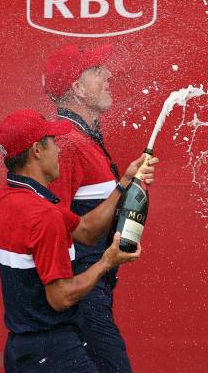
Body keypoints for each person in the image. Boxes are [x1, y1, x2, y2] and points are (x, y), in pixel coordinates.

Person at [0, 109, 156, 372]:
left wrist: (125, 181)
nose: (58, 150)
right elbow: (61, 297)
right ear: (37, 151)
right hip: (53, 352)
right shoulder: (44, 216)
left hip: (22, 350)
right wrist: (106, 262)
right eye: (53, 143)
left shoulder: (10, 197)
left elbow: (86, 231)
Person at [43, 43, 156, 373]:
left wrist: (129, 186)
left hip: (91, 293)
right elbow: (52, 226)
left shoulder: (83, 137)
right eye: (96, 71)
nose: (107, 75)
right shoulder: (65, 143)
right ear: (77, 89)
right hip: (80, 301)